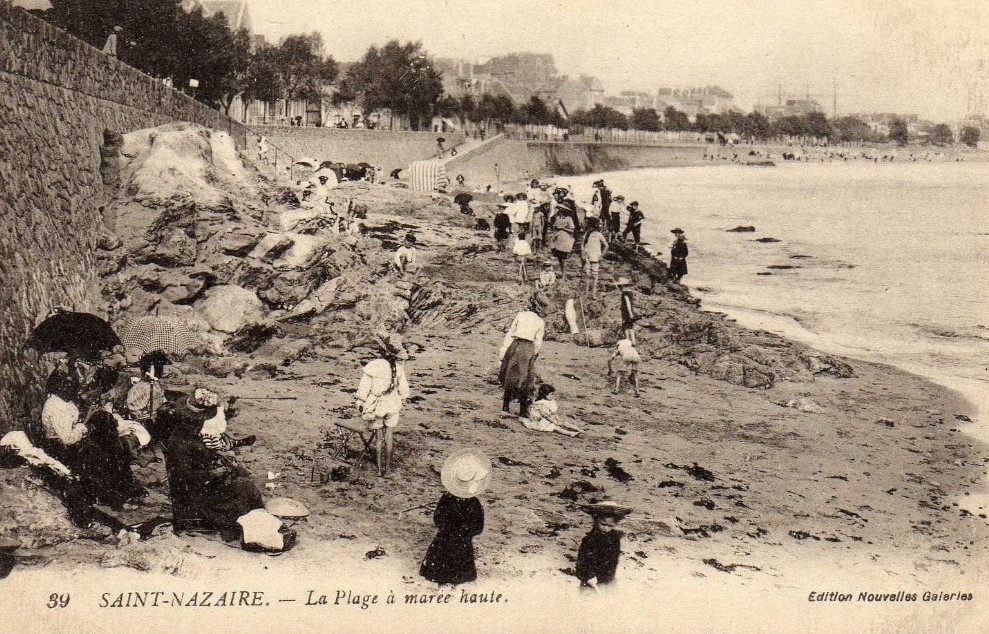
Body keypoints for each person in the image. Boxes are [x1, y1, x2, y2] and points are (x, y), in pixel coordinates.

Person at [161, 387, 265, 536]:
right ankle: (251, 525)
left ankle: (253, 521)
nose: (201, 423)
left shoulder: (190, 434)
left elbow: (199, 453)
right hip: (194, 495)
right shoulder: (180, 442)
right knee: (246, 486)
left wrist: (218, 454)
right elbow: (181, 476)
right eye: (199, 420)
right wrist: (211, 473)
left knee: (241, 474)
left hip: (200, 484)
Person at [419, 449, 490, 586]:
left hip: (444, 540)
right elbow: (478, 527)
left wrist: (448, 529)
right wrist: (465, 532)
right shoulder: (474, 503)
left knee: (440, 566)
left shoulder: (446, 498)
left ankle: (442, 582)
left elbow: (437, 519)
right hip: (463, 544)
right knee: (460, 569)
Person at [355, 333, 411, 478]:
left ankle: (379, 470)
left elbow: (363, 389)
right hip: (392, 403)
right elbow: (404, 390)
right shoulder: (398, 368)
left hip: (377, 405)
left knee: (379, 439)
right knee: (389, 437)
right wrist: (402, 398)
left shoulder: (374, 365)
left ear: (382, 351)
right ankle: (388, 469)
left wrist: (360, 403)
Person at [498, 294, 548, 417]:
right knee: (526, 379)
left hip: (515, 345)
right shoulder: (540, 322)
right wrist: (533, 354)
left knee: (510, 375)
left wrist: (504, 349)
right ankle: (522, 410)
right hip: (528, 348)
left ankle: (505, 406)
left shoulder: (520, 315)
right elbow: (538, 342)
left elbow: (511, 332)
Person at [576, 502, 632, 589]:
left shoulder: (614, 540)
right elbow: (582, 562)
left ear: (615, 524)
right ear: (596, 520)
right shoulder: (588, 540)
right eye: (603, 524)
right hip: (590, 580)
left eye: (610, 526)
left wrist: (609, 578)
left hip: (607, 580)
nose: (605, 528)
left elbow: (613, 561)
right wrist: (589, 576)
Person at [581, 217, 609, 299]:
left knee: (595, 276)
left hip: (596, 258)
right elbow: (582, 245)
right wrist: (583, 254)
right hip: (587, 257)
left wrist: (601, 255)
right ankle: (586, 294)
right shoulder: (586, 234)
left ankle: (593, 294)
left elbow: (606, 245)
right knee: (587, 275)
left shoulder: (598, 234)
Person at [548, 207, 576, 280]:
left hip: (565, 239)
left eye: (561, 210)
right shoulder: (558, 218)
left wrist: (563, 228)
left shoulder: (568, 219)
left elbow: (572, 230)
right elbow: (554, 227)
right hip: (558, 239)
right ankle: (562, 272)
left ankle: (564, 275)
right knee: (559, 258)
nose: (560, 211)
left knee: (564, 259)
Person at [616, 277, 637, 344]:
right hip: (629, 310)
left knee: (626, 326)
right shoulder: (630, 292)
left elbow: (627, 302)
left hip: (626, 311)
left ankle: (628, 339)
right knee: (630, 325)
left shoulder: (624, 293)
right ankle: (633, 340)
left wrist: (630, 312)